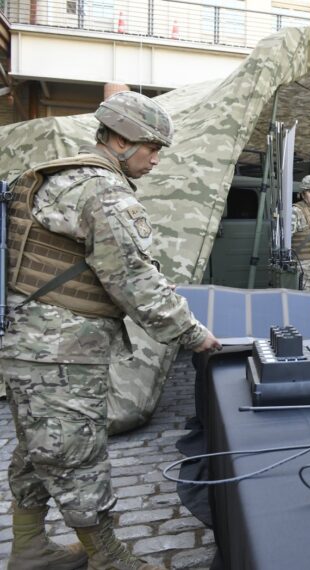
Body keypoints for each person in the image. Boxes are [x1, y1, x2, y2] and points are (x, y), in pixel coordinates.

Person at [0, 91, 221, 570]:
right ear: (119, 139)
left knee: (40, 448)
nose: (156, 159)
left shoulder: (62, 176)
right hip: (60, 351)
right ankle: (110, 559)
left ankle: (30, 547)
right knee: (75, 451)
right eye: (150, 147)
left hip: (31, 345)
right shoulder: (103, 190)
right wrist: (195, 335)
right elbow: (136, 282)